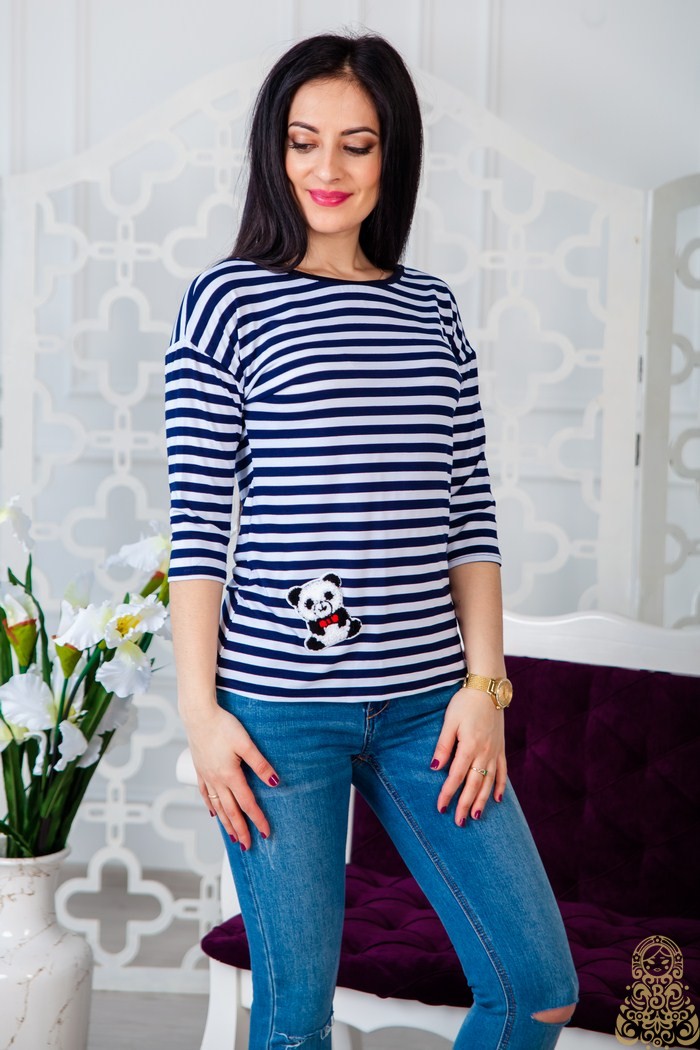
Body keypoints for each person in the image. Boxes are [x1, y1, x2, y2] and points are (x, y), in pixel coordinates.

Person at [164, 30, 579, 1050]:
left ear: (392, 156)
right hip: (278, 721)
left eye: (357, 144)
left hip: (429, 712)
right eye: (304, 141)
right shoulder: (226, 303)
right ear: (275, 148)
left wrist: (485, 690)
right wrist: (201, 715)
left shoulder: (431, 309)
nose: (328, 168)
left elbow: (469, 516)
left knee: (536, 990)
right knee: (294, 1025)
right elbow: (198, 530)